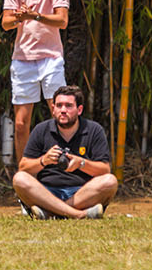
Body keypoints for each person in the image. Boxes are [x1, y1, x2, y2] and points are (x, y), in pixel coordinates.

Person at [1, 0, 73, 168]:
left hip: (51, 58)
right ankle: (26, 175)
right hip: (23, 59)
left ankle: (59, 170)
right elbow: (6, 23)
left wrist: (35, 16)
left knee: (60, 115)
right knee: (21, 124)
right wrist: (20, 17)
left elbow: (62, 21)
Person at [13, 85, 117, 220]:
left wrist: (81, 163)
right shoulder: (41, 130)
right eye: (59, 105)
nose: (63, 110)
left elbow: (105, 170)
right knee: (19, 179)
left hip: (82, 193)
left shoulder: (94, 130)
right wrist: (44, 160)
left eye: (68, 106)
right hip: (46, 192)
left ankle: (51, 212)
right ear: (53, 109)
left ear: (79, 110)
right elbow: (24, 167)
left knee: (110, 181)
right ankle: (78, 214)